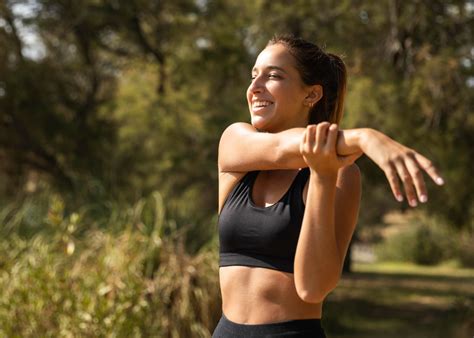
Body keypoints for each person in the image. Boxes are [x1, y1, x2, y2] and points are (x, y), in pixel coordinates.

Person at [212, 35, 443, 337]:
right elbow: (282, 149)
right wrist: (366, 137)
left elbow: (312, 288)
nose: (255, 88)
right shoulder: (236, 143)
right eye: (254, 76)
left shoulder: (342, 175)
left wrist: (322, 177)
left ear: (312, 95)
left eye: (274, 76)